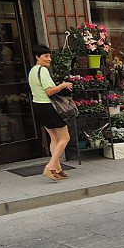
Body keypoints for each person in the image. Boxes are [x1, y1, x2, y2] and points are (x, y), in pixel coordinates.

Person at [28, 44, 73, 182]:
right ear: (37, 57)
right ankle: (50, 166)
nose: (49, 59)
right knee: (65, 138)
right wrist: (64, 85)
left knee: (54, 138)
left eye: (49, 56)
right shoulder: (42, 71)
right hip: (49, 106)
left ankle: (57, 170)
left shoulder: (32, 71)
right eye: (45, 56)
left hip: (38, 106)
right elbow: (49, 91)